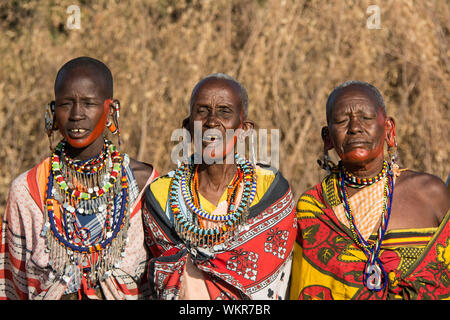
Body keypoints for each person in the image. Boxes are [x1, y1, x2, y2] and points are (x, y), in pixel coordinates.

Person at [0, 57, 157, 299]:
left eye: (88, 103)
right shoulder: (28, 191)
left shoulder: (144, 186)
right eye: (66, 104)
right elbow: (12, 288)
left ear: (111, 110)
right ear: (52, 111)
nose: (76, 115)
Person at [290, 80, 450, 300]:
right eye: (341, 121)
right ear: (327, 138)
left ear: (388, 128)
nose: (355, 127)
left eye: (366, 118)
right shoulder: (314, 207)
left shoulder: (430, 193)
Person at [142, 73, 296, 300]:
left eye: (225, 111)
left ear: (245, 129)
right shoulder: (161, 193)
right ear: (187, 127)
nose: (212, 122)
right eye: (202, 111)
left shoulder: (269, 189)